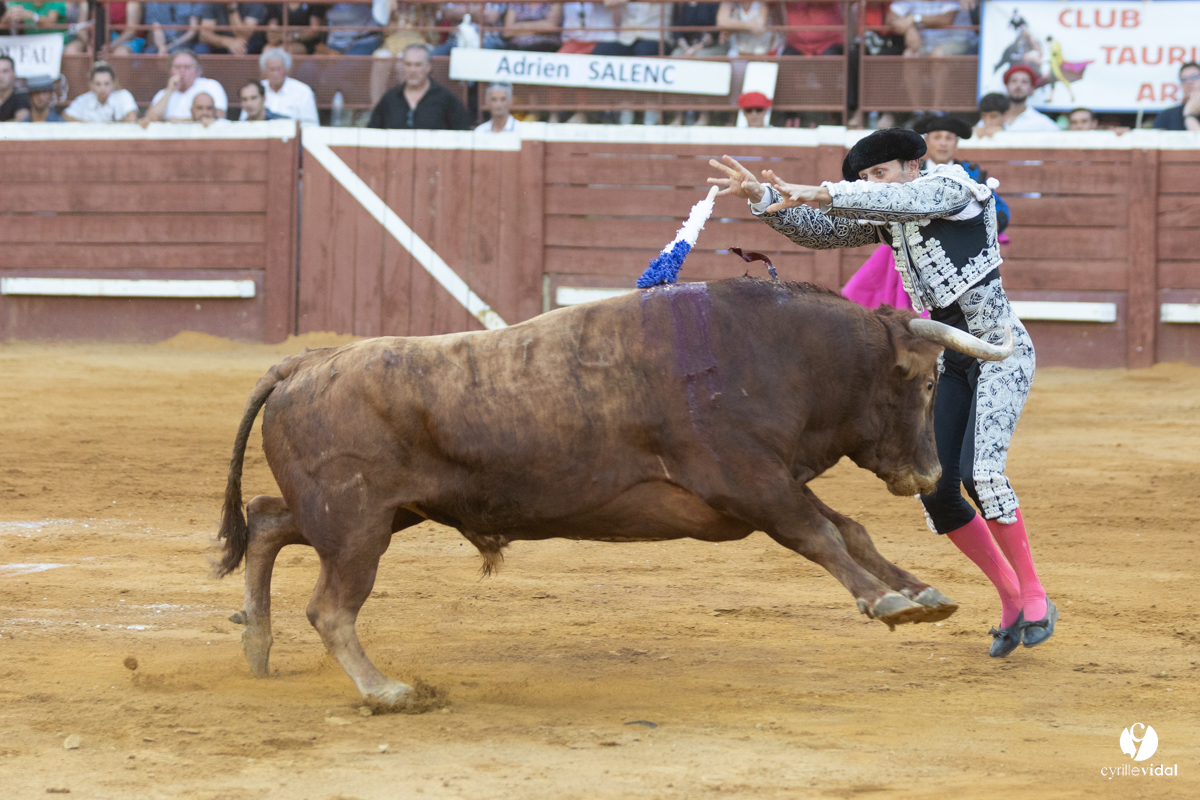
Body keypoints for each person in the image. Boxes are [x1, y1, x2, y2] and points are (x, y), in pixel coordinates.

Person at [709, 128, 1056, 658]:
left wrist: (828, 190)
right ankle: (1010, 596)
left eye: (879, 173)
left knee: (983, 474)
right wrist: (762, 196)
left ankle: (1034, 592)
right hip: (950, 360)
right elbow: (821, 231)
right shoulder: (890, 213)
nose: (873, 185)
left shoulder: (952, 189)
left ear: (912, 165)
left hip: (999, 353)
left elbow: (908, 201)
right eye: (865, 178)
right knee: (936, 488)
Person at [368, 43, 471, 130]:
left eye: (418, 65)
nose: (412, 70)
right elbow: (372, 134)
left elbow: (463, 137)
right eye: (408, 64)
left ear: (428, 67)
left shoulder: (447, 100)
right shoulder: (389, 99)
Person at [141, 50, 228, 123]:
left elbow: (218, 117)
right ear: (170, 70)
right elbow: (149, 120)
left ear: (197, 70)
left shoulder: (210, 86)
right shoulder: (162, 94)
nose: (182, 71)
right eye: (177, 67)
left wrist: (176, 122)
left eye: (187, 67)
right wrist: (169, 91)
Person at [249, 47, 318, 126]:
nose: (275, 74)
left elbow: (311, 125)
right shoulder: (254, 89)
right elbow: (244, 121)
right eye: (272, 69)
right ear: (264, 71)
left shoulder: (303, 91)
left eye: (279, 69)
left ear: (286, 69)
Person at [887, 0, 977, 57]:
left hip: (956, 41)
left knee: (938, 55)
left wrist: (914, 18)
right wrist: (909, 28)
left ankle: (938, 89)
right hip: (925, 43)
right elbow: (890, 18)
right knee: (910, 55)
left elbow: (946, 19)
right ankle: (914, 89)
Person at [62, 61, 139, 122]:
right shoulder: (84, 100)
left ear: (113, 83)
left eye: (106, 84)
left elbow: (132, 118)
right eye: (98, 84)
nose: (102, 88)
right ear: (91, 85)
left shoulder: (123, 96)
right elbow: (65, 116)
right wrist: (88, 125)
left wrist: (111, 126)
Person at [1001, 64, 1058, 132]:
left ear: (1032, 89)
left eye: (1024, 82)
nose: (1018, 85)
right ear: (1006, 87)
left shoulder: (1042, 123)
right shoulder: (989, 119)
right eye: (1014, 81)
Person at [1152, 62, 1200, 132]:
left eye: (1194, 77)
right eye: (1184, 79)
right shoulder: (1166, 116)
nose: (1189, 82)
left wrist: (1190, 115)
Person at [0, 55, 31, 122]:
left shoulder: (20, 97)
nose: (1, 76)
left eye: (5, 71)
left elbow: (21, 121)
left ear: (13, 73)